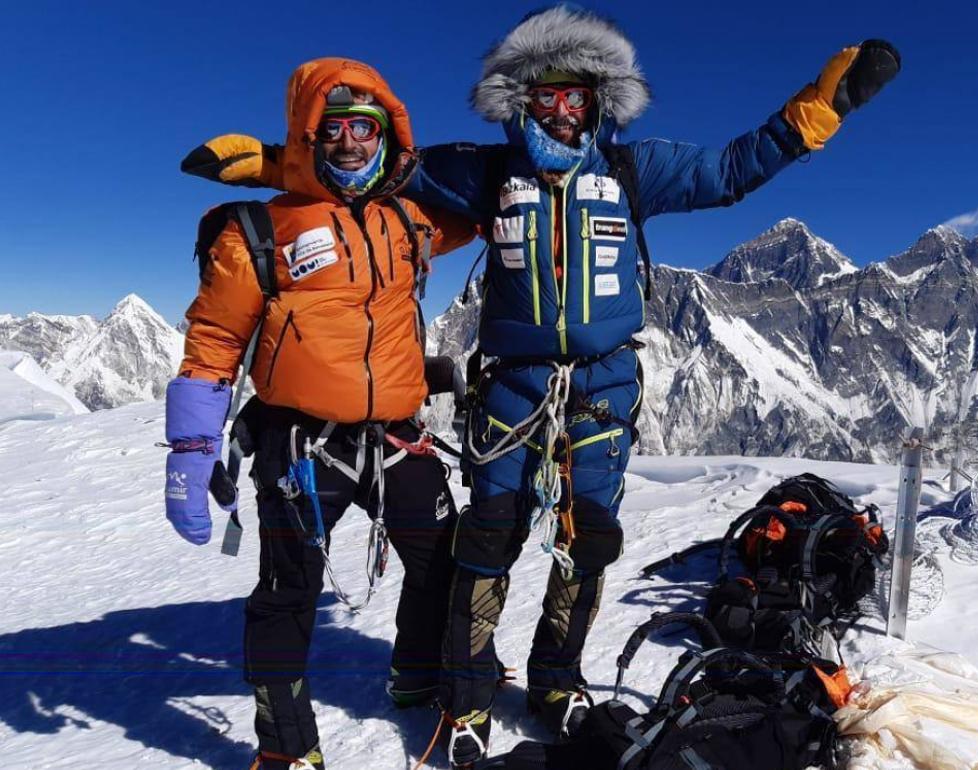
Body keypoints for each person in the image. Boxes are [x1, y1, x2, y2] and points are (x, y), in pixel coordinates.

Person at [181, 7, 901, 766]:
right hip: (511, 388)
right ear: (520, 103)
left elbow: (729, 170)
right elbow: (369, 165)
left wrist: (817, 112)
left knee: (586, 540)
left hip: (604, 385)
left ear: (600, 103)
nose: (560, 113)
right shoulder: (485, 172)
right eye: (545, 97)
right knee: (486, 539)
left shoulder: (633, 170)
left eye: (576, 97)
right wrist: (274, 164)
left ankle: (556, 679)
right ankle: (466, 697)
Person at [164, 57, 474, 770]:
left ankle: (416, 675)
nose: (350, 142)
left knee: (442, 566)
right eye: (331, 128)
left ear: (387, 136)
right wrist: (189, 449)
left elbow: (484, 200)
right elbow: (214, 341)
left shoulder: (411, 220)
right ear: (308, 133)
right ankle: (286, 749)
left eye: (365, 128)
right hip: (299, 446)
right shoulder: (258, 231)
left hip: (397, 436)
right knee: (286, 594)